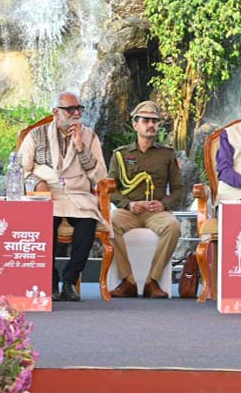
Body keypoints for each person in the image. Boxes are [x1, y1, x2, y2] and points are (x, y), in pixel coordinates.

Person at [19, 91, 108, 302]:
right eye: (70, 109)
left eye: (79, 108)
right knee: (45, 222)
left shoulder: (89, 136)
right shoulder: (36, 135)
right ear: (55, 112)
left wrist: (80, 147)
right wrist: (36, 182)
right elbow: (20, 169)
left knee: (87, 225)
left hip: (78, 194)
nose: (76, 113)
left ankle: (69, 282)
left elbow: (99, 175)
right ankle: (50, 280)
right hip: (47, 194)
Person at [108, 101, 182, 298]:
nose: (151, 125)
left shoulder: (167, 154)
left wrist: (164, 204)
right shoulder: (121, 154)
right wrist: (128, 204)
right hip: (129, 211)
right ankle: (128, 280)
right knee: (110, 223)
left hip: (156, 212)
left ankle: (152, 280)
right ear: (135, 125)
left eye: (154, 121)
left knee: (173, 227)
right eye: (146, 120)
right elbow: (109, 188)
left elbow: (178, 190)